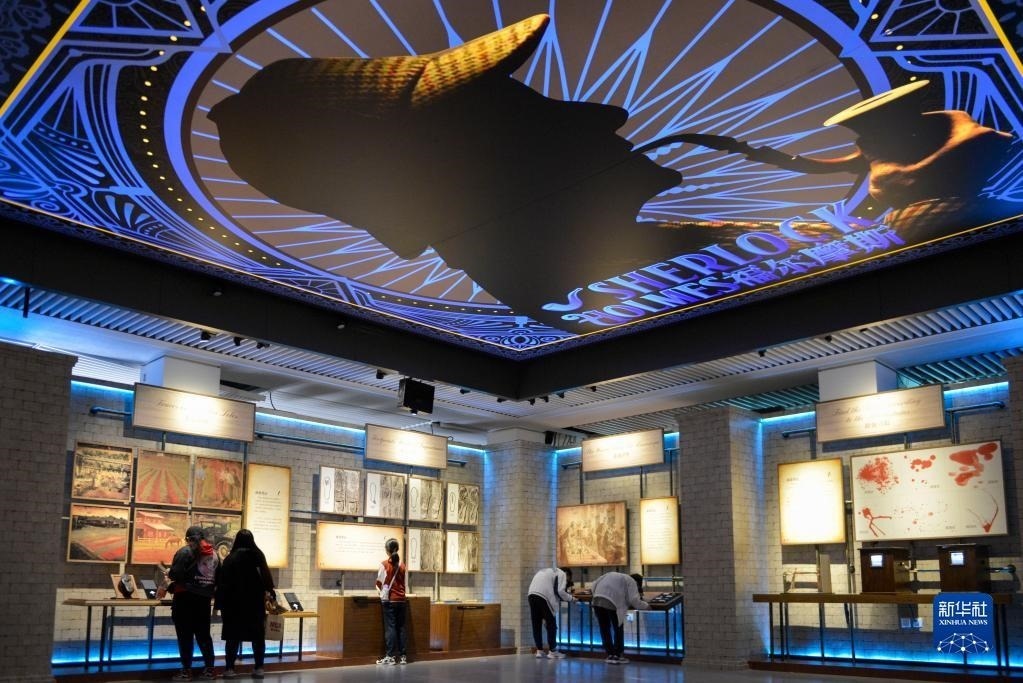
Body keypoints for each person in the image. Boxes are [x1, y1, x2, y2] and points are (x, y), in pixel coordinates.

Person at [215, 529, 275, 679]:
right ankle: (259, 668)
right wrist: (270, 593)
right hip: (254, 603)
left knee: (232, 637)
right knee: (257, 637)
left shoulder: (231, 558)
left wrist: (218, 604)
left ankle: (229, 669)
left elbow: (223, 583)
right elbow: (266, 577)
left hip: (233, 604)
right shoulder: (258, 555)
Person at [165, 525, 219, 681]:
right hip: (204, 601)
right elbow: (218, 577)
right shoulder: (214, 554)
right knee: (204, 636)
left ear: (188, 539)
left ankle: (186, 671)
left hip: (184, 600)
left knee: (185, 637)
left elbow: (175, 574)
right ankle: (210, 670)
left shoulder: (185, 551)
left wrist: (168, 573)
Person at [590, 572, 649, 664]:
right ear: (637, 583)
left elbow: (593, 585)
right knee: (618, 628)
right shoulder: (631, 581)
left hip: (596, 601)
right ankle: (618, 655)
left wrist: (597, 595)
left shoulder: (611, 575)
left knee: (604, 628)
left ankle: (610, 654)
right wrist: (646, 606)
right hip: (612, 602)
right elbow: (634, 600)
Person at [527, 566, 575, 658]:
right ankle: (553, 651)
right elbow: (560, 591)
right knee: (551, 624)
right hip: (543, 596)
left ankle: (539, 650)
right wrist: (572, 598)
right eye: (568, 579)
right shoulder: (562, 573)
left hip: (531, 595)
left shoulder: (550, 571)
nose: (567, 581)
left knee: (536, 624)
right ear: (567, 574)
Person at [374, 538, 409, 665]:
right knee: (401, 628)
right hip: (401, 600)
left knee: (391, 628)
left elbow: (379, 583)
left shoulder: (384, 565)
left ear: (387, 550)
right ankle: (403, 656)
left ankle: (390, 656)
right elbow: (404, 584)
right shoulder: (403, 565)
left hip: (389, 601)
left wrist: (380, 592)